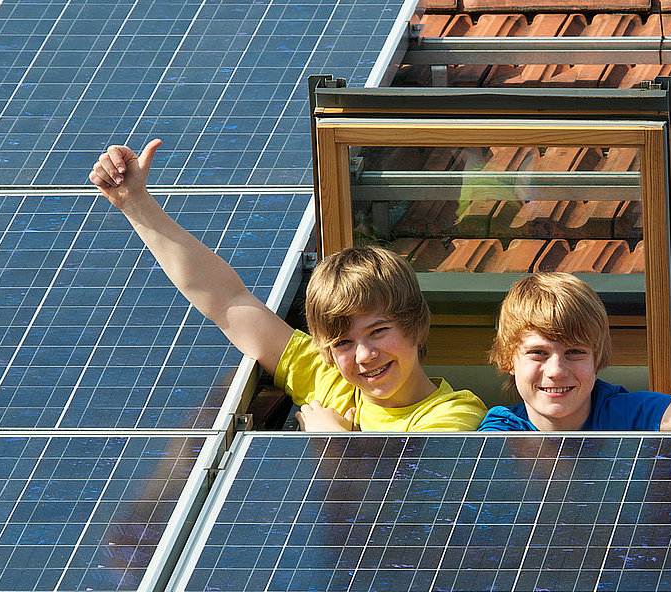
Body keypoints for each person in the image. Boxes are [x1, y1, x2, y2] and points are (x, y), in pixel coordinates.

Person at [89, 139, 486, 432]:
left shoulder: (456, 416)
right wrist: (135, 203)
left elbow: (409, 511)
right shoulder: (328, 382)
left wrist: (335, 442)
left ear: (415, 324)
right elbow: (227, 300)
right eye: (342, 343)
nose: (364, 355)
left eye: (378, 331)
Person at [478, 272, 671, 431]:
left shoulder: (629, 415)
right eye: (538, 353)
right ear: (508, 359)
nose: (556, 371)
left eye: (575, 352)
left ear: (597, 358)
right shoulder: (498, 434)